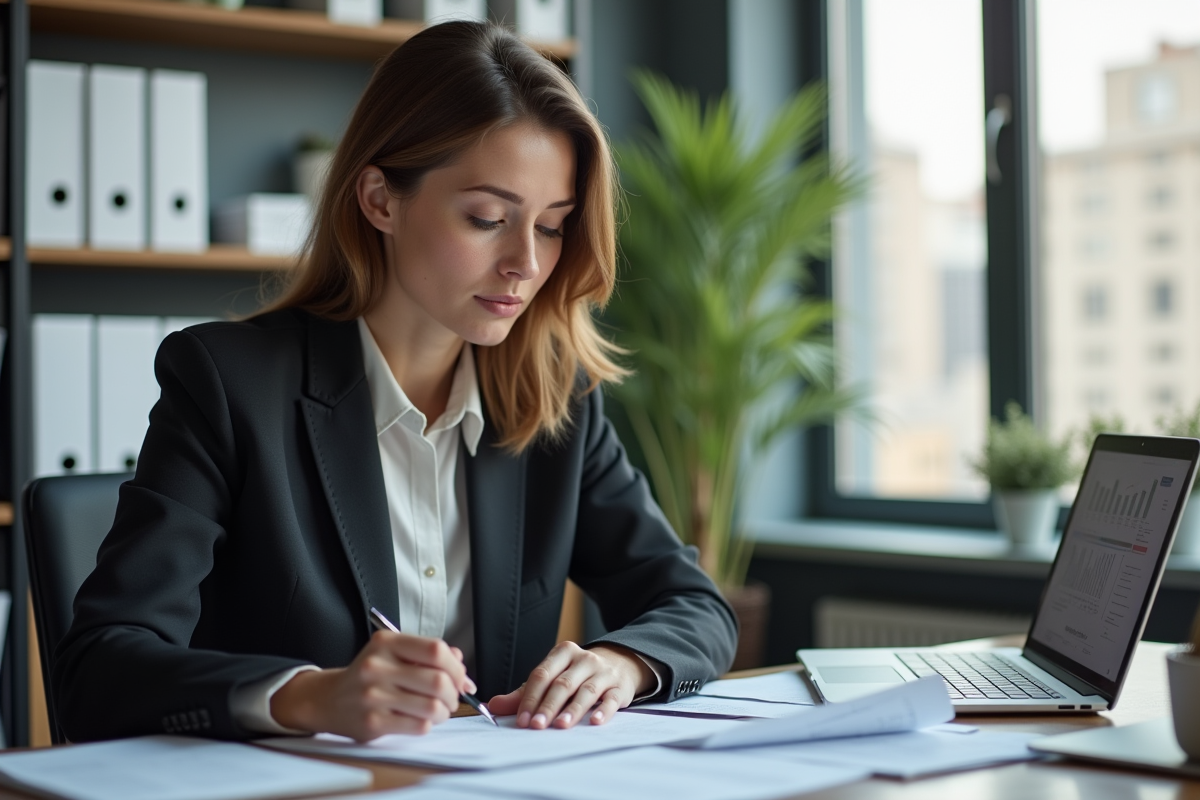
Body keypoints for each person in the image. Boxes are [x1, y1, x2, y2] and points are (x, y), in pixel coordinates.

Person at [53, 20, 736, 744]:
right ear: (379, 200)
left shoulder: (555, 398)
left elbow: (694, 606)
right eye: (487, 218)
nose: (526, 265)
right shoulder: (227, 384)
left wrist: (623, 662)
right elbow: (97, 668)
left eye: (551, 227)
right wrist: (306, 696)